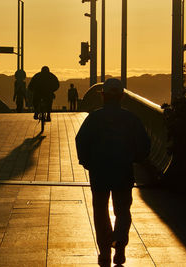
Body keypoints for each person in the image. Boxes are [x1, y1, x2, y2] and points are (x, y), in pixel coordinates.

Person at [75, 78, 150, 267]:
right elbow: (144, 143)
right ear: (122, 97)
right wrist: (137, 158)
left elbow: (80, 140)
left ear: (103, 96)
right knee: (122, 209)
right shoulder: (131, 119)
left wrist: (86, 161)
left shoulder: (94, 118)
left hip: (99, 170)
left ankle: (105, 253)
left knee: (101, 211)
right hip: (123, 169)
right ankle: (120, 245)